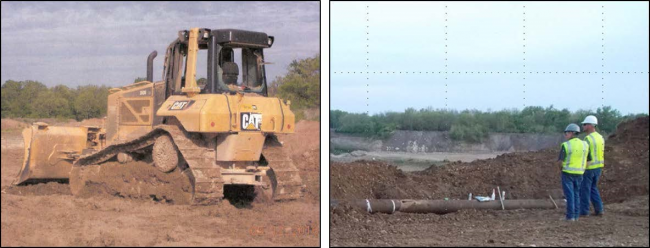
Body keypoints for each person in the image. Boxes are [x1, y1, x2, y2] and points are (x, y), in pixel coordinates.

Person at [557, 123, 589, 221]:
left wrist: (561, 169)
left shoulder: (566, 145)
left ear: (572, 133)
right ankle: (576, 215)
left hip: (567, 173)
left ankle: (570, 216)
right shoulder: (585, 145)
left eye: (566, 133)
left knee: (570, 195)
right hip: (580, 174)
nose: (565, 135)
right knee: (576, 194)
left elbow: (560, 162)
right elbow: (589, 160)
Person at [580, 115, 605, 217]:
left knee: (585, 189)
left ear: (590, 125)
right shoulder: (600, 137)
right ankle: (599, 210)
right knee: (593, 188)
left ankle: (584, 211)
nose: (583, 126)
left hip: (589, 167)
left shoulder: (588, 139)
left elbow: (585, 154)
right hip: (598, 167)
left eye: (585, 124)